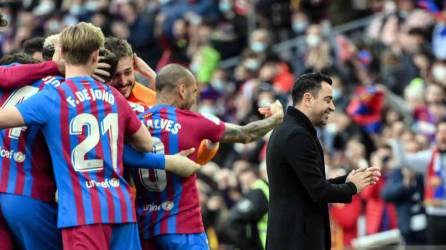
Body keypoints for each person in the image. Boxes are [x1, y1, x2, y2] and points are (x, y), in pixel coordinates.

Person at [0, 22, 154, 249]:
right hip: (120, 207)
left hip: (80, 211)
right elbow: (146, 143)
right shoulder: (115, 96)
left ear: (60, 53)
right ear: (96, 56)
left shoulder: (53, 96)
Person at [134, 63, 284, 250]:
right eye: (194, 91)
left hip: (145, 228)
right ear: (182, 90)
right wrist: (275, 119)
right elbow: (246, 134)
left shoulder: (136, 122)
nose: (195, 97)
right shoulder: (193, 121)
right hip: (184, 229)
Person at [266, 72, 381, 250]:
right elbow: (318, 191)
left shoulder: (290, 129)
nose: (333, 107)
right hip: (297, 241)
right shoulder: (296, 135)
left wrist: (347, 180)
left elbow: (308, 185)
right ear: (308, 99)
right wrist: (352, 187)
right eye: (327, 100)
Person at [105, 37, 219, 164]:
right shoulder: (95, 101)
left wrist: (150, 74)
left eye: (128, 72)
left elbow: (196, 155)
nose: (123, 81)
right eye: (116, 75)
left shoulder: (151, 99)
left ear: (134, 65)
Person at [390, 119, 446, 245]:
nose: (443, 136)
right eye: (440, 132)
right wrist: (397, 139)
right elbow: (404, 161)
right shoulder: (430, 157)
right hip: (435, 215)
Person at [227, 167, 269, 250]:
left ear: (251, 175)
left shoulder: (256, 192)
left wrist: (245, 245)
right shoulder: (266, 187)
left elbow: (235, 217)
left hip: (263, 241)